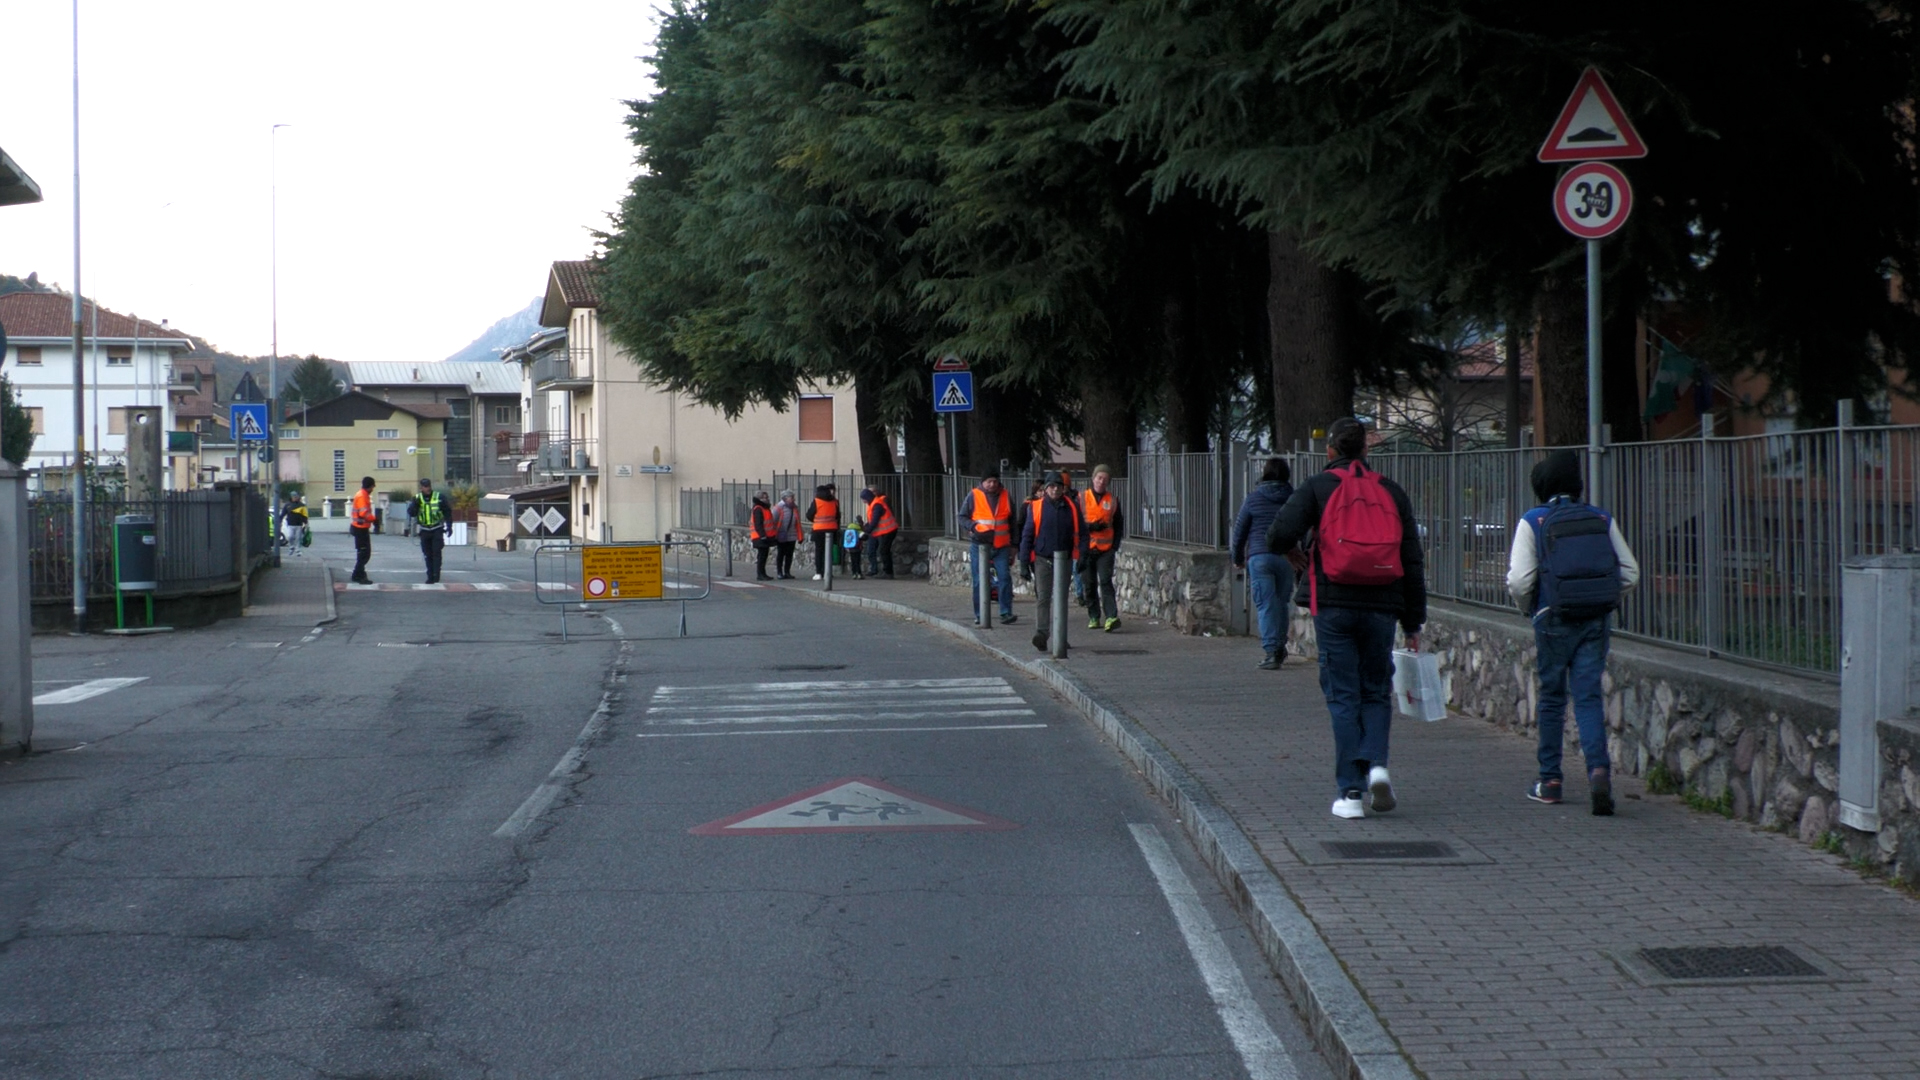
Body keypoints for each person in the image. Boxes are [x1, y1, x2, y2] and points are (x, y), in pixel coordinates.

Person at [1267, 418, 1426, 821]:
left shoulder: (1318, 486)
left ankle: (1350, 792)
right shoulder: (1390, 491)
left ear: (1330, 451)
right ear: (1366, 451)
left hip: (1334, 604)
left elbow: (1277, 534)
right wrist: (1413, 622)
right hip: (1382, 605)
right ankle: (1377, 766)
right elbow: (1411, 561)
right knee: (1375, 689)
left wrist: (1291, 553)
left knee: (1342, 695)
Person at [1507, 448, 1641, 816]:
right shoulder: (1600, 517)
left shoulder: (1533, 521)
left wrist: (1529, 609)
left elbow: (1520, 580)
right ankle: (1598, 771)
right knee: (1588, 696)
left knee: (1552, 697)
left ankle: (1550, 781)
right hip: (1594, 620)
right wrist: (1605, 599)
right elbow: (1629, 572)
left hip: (1552, 619)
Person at [1232, 458, 1296, 669]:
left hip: (1260, 557)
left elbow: (1240, 531)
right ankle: (1280, 646)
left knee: (1266, 604)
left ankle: (1271, 651)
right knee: (1281, 604)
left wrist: (1237, 558)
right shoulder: (1293, 497)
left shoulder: (1254, 498)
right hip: (1287, 557)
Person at [1018, 473, 1084, 651]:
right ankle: (1042, 634)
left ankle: (1061, 636)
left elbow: (1083, 533)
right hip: (1042, 558)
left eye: (1058, 486)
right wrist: (1024, 562)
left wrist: (1083, 556)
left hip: (1065, 558)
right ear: (1045, 489)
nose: (1055, 489)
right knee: (1043, 597)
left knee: (1061, 599)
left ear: (1063, 488)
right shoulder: (1036, 507)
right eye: (1051, 486)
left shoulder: (1072, 507)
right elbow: (1027, 535)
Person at [965, 471, 1017, 624]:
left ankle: (1006, 612)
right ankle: (980, 615)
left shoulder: (1006, 496)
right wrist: (973, 526)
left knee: (1005, 578)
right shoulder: (974, 495)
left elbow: (1012, 522)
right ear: (983, 482)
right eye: (989, 481)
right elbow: (962, 516)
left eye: (994, 481)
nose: (992, 484)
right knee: (979, 581)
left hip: (1001, 545)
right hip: (979, 545)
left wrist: (1014, 545)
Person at [1078, 465, 1125, 632]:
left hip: (1105, 549)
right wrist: (1091, 526)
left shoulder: (1112, 501)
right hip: (1086, 549)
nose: (1101, 481)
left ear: (1108, 482)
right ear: (1093, 478)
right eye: (1099, 478)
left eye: (1105, 479)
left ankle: (1111, 616)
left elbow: (1119, 524)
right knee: (1089, 584)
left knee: (1105, 581)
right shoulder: (1081, 498)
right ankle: (1094, 616)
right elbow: (1076, 523)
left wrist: (1114, 546)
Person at [411, 477, 451, 584]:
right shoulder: (417, 498)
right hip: (424, 530)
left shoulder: (439, 497)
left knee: (436, 553)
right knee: (427, 554)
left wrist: (449, 526)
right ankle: (430, 575)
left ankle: (436, 575)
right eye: (425, 486)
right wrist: (415, 504)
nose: (427, 488)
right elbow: (411, 513)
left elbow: (447, 512)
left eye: (428, 486)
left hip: (437, 529)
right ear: (421, 488)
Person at [803, 483, 839, 580]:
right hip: (832, 529)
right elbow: (837, 516)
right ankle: (828, 572)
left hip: (819, 529)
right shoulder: (834, 502)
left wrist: (816, 520)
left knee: (819, 551)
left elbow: (809, 514)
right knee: (829, 551)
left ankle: (819, 572)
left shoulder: (817, 501)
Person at [862, 487, 898, 578]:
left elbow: (875, 521)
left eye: (863, 499)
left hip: (889, 530)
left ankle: (888, 573)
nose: (863, 501)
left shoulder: (877, 504)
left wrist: (867, 530)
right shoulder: (874, 503)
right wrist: (867, 527)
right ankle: (888, 572)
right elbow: (872, 520)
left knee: (883, 550)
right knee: (884, 550)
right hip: (888, 530)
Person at [349, 477, 376, 584]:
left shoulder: (363, 495)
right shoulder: (362, 496)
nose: (373, 488)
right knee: (364, 553)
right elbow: (363, 513)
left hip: (361, 528)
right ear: (369, 486)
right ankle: (359, 575)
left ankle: (358, 574)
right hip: (360, 529)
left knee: (363, 553)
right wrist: (375, 519)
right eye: (373, 486)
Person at [771, 490, 800, 579]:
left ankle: (787, 572)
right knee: (781, 553)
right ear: (785, 498)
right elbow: (773, 520)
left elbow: (797, 521)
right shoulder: (779, 507)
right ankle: (779, 572)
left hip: (792, 534)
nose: (793, 499)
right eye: (791, 497)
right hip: (781, 534)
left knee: (789, 554)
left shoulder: (794, 507)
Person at [748, 491, 776, 581]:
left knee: (763, 556)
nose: (767, 499)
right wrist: (763, 535)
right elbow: (758, 524)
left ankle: (763, 574)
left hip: (764, 536)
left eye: (767, 497)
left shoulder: (764, 508)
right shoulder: (758, 509)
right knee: (762, 556)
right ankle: (760, 574)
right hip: (760, 537)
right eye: (765, 497)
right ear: (760, 499)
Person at [280, 492, 309, 557]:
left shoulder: (301, 505)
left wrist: (306, 522)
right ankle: (292, 547)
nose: (295, 498)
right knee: (290, 537)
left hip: (299, 524)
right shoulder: (287, 505)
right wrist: (280, 520)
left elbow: (304, 515)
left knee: (298, 538)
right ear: (291, 497)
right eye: (294, 497)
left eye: (296, 497)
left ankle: (298, 550)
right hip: (290, 524)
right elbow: (283, 513)